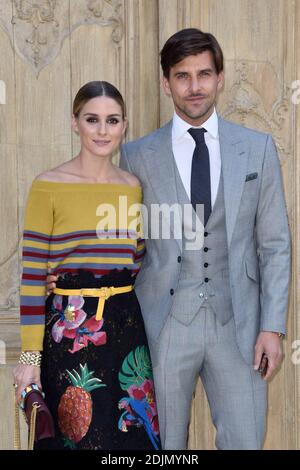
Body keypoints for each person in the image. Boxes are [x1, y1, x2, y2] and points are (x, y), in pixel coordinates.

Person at [47, 29, 291, 450]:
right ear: (166, 83)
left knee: (246, 442)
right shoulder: (139, 154)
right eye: (182, 76)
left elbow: (275, 244)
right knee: (162, 450)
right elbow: (120, 231)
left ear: (219, 78)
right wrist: (70, 278)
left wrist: (272, 327)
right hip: (163, 326)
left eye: (204, 74)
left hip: (240, 326)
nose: (194, 87)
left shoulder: (257, 149)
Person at [13, 81, 161, 450]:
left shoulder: (133, 188)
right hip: (70, 333)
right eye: (92, 119)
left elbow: (138, 257)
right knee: (78, 438)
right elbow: (32, 276)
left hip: (127, 329)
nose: (102, 130)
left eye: (112, 121)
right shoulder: (48, 185)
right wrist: (30, 358)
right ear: (74, 122)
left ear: (124, 125)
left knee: (131, 441)